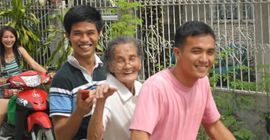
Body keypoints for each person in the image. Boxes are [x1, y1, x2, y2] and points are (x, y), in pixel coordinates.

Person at [130, 21, 236, 140]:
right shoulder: (156, 87)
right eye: (196, 51)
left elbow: (213, 126)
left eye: (210, 52)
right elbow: (139, 135)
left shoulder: (202, 82)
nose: (204, 59)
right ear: (178, 53)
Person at [49, 5, 116, 140]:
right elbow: (61, 136)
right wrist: (79, 112)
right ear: (68, 35)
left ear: (100, 33)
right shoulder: (62, 79)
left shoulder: (110, 70)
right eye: (77, 33)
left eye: (90, 33)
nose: (85, 39)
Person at [87, 36, 143, 140]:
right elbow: (93, 138)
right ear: (110, 65)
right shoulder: (106, 92)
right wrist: (100, 102)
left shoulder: (141, 88)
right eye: (120, 61)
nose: (127, 65)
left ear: (139, 62)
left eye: (132, 59)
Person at [0, 26, 47, 127]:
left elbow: (34, 64)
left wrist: (47, 74)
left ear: (15, 38)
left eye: (11, 37)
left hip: (22, 88)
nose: (9, 40)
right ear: (1, 38)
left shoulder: (19, 50)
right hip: (5, 90)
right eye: (5, 37)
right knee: (1, 112)